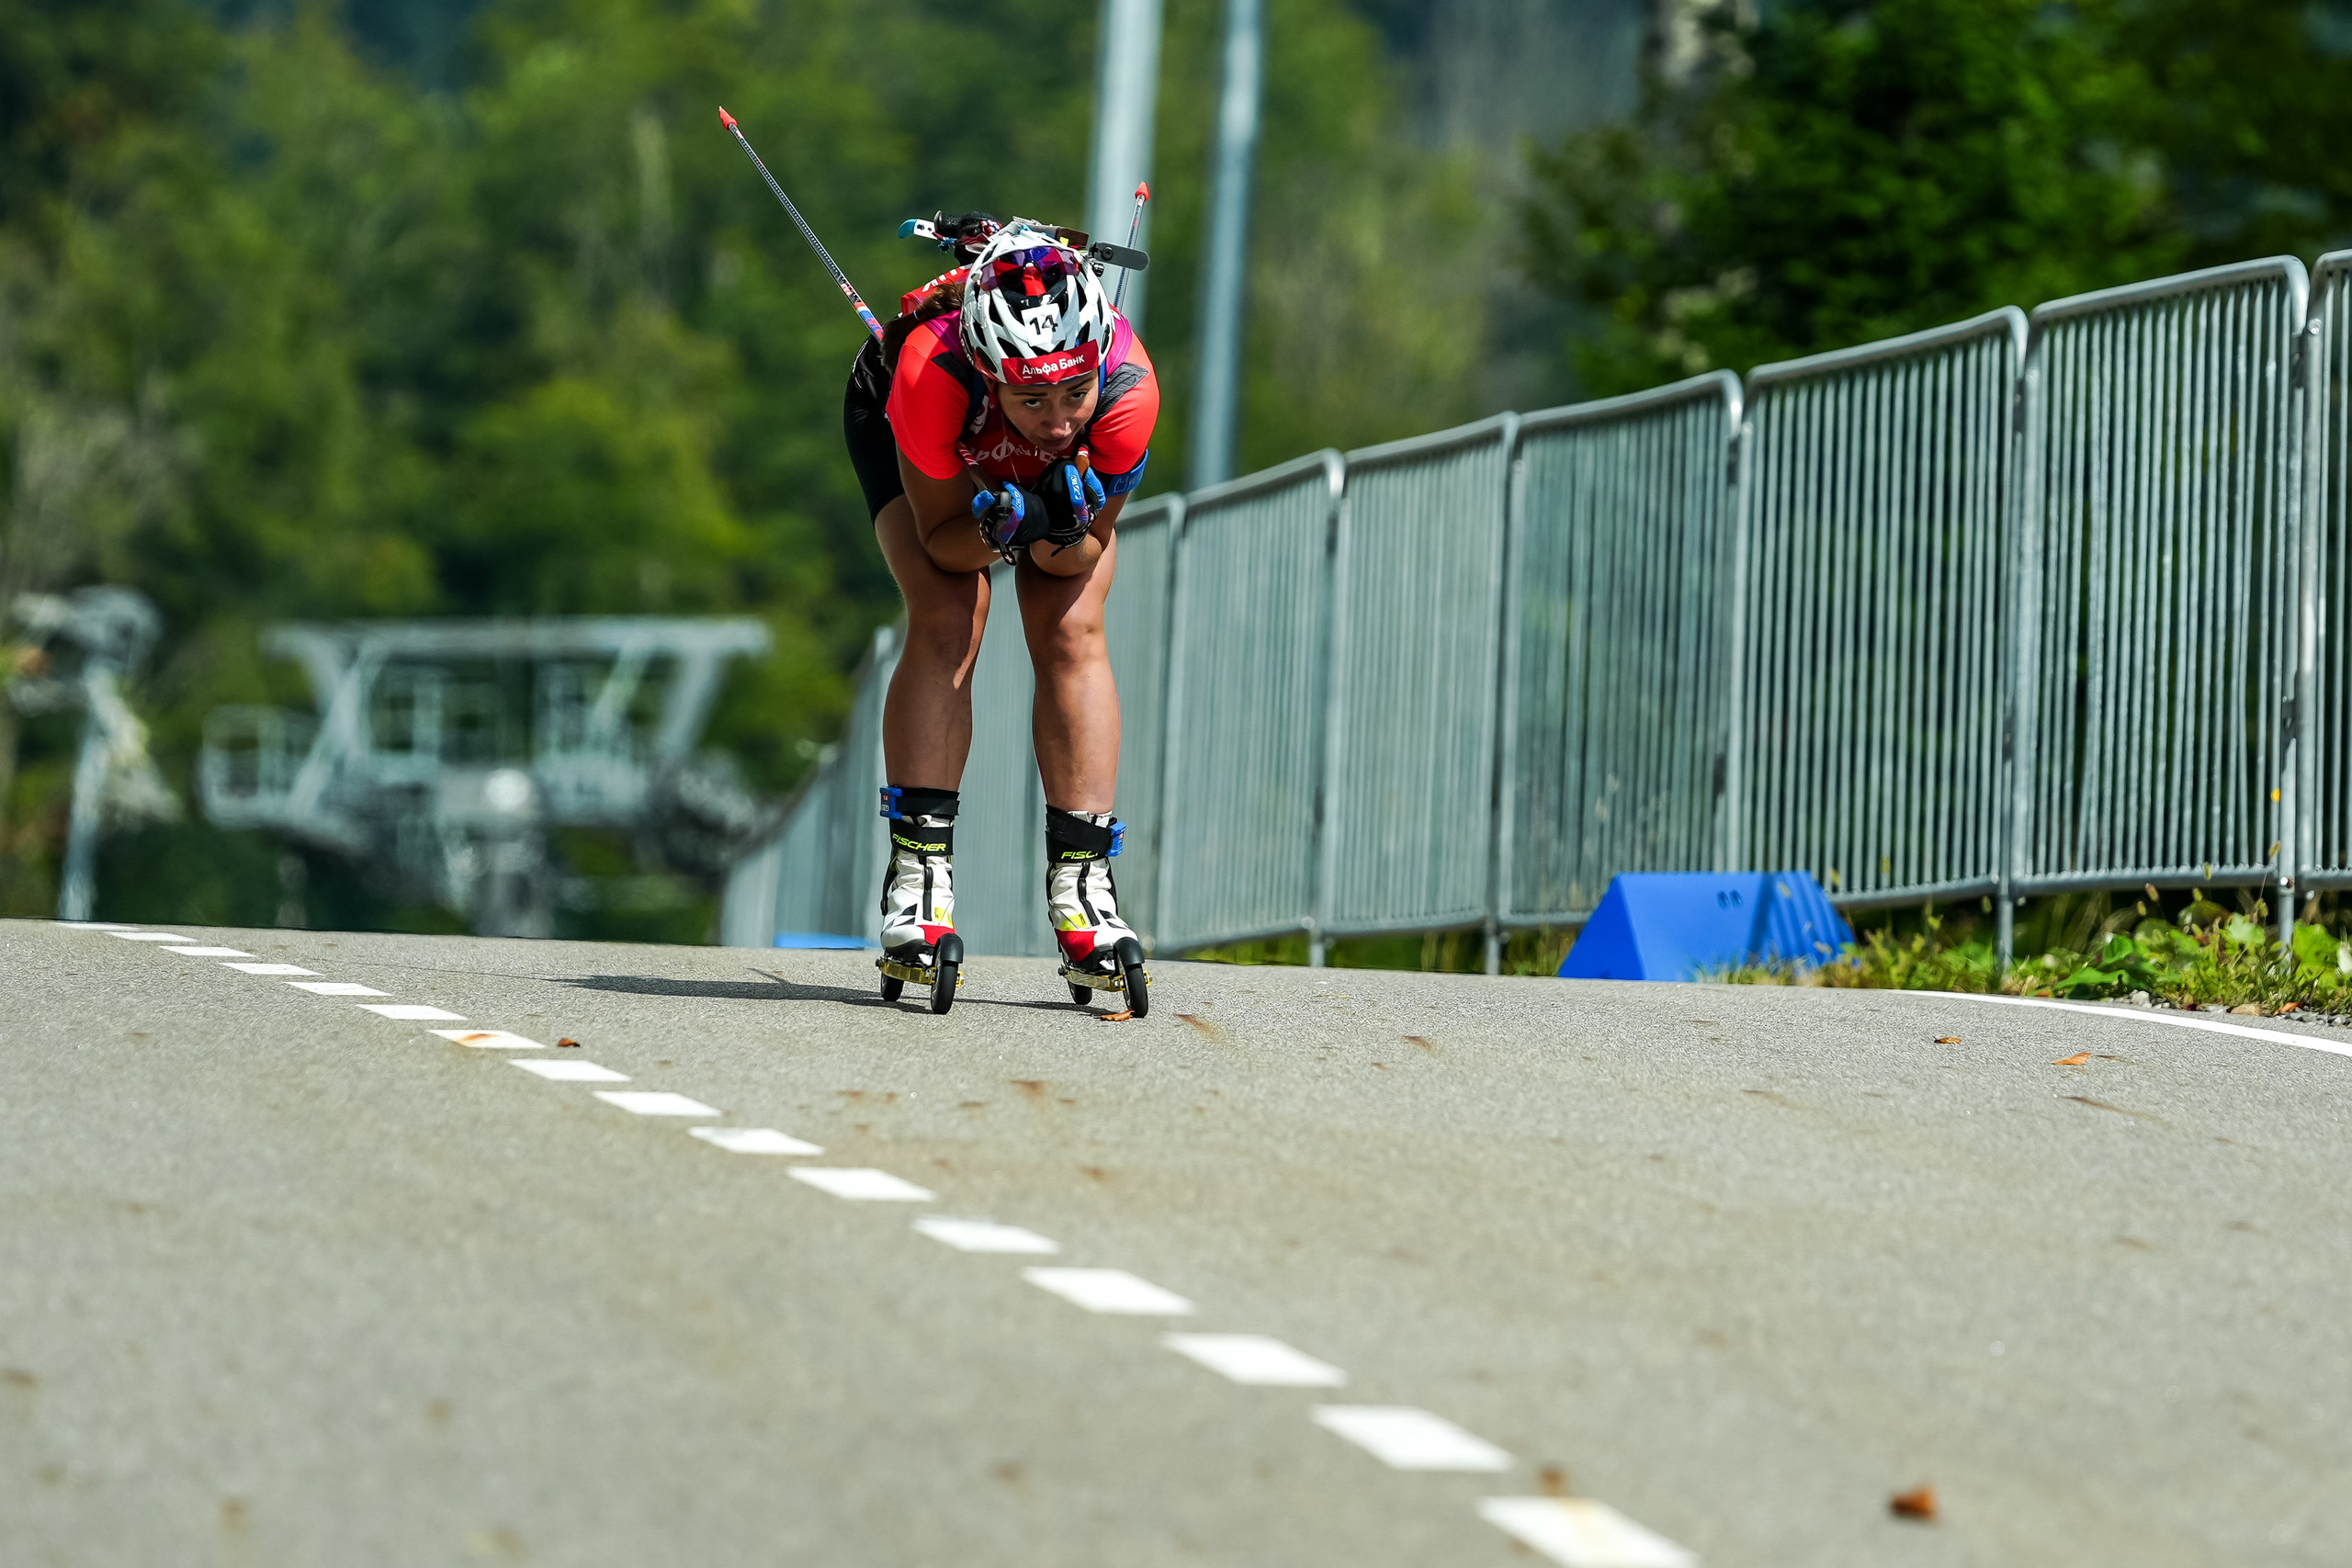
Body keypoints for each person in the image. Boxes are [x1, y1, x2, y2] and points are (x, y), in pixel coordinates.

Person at [841, 217, 1159, 994]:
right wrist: (996, 528)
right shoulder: (930, 375)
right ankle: (918, 881)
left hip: (1030, 490)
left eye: (1072, 394)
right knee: (950, 613)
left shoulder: (1124, 394)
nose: (1057, 421)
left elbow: (1074, 559)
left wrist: (1058, 522)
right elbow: (946, 541)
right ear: (991, 375)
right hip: (922, 444)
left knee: (1073, 625)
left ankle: (1084, 886)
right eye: (1031, 399)